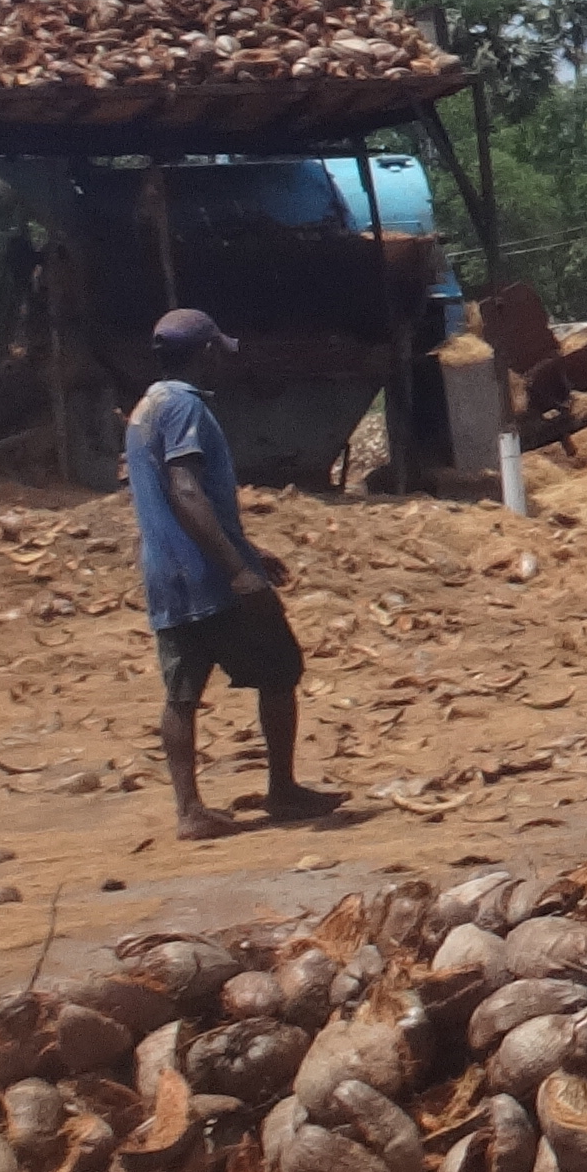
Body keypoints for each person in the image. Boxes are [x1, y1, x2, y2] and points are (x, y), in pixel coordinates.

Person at [124, 308, 337, 840]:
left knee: (181, 691)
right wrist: (239, 570)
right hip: (210, 578)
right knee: (281, 666)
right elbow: (186, 490)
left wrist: (249, 547)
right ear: (205, 353)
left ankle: (189, 808)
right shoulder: (184, 406)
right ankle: (283, 790)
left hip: (167, 576)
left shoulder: (145, 407)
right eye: (217, 350)